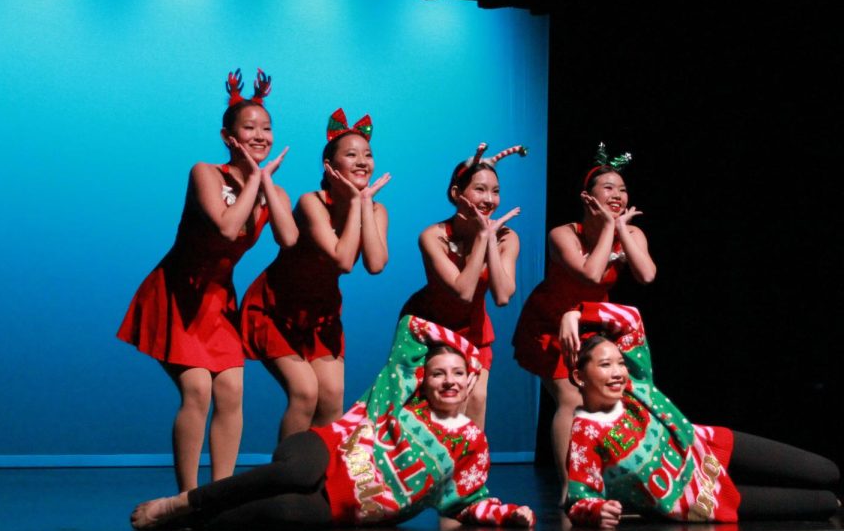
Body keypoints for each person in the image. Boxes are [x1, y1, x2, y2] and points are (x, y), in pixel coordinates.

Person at [130, 317, 535, 531]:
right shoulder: (399, 396)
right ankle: (180, 503)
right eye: (438, 373)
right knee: (298, 472)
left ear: (469, 383)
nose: (448, 381)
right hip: (326, 450)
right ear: (424, 379)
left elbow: (468, 501)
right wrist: (472, 354)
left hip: (348, 506)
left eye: (457, 374)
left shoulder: (472, 445)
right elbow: (412, 326)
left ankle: (187, 522)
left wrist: (510, 515)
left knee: (282, 514)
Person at [117, 69, 298, 491]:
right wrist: (254, 178)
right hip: (177, 293)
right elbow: (226, 228)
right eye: (249, 128)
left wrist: (265, 181)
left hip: (218, 301)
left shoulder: (273, 190)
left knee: (232, 390)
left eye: (266, 128)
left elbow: (288, 238)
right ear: (227, 136)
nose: (260, 136)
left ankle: (219, 493)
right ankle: (188, 496)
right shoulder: (206, 173)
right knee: (197, 388)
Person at [560, 302, 839, 528]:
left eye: (620, 363)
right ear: (579, 377)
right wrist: (598, 511)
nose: (618, 372)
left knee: (827, 471)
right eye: (606, 365)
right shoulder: (585, 435)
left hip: (709, 446)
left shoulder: (634, 384)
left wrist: (576, 313)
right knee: (825, 504)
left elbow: (631, 319)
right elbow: (580, 498)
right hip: (701, 498)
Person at [241, 109, 390, 440]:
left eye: (368, 154)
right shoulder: (312, 203)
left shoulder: (376, 209)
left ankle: (315, 483)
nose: (363, 161)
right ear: (330, 167)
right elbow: (343, 261)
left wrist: (363, 204)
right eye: (351, 155)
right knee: (305, 393)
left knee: (332, 398)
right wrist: (356, 205)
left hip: (321, 314)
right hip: (277, 309)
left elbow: (376, 264)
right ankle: (283, 479)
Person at [512, 143, 656, 478]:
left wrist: (620, 229)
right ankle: (570, 487)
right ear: (587, 197)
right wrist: (609, 226)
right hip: (550, 322)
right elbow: (592, 273)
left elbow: (646, 275)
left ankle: (601, 477)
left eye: (622, 189)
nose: (617, 194)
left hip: (591, 320)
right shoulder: (562, 234)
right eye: (608, 188)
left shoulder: (631, 232)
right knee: (570, 399)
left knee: (602, 401)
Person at [399, 143, 526, 427]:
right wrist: (483, 236)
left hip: (473, 331)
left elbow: (503, 295)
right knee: (428, 412)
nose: (489, 199)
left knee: (475, 401)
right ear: (457, 194)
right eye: (480, 189)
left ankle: (469, 470)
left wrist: (490, 239)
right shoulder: (433, 236)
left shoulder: (506, 237)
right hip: (428, 330)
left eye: (495, 191)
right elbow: (463, 290)